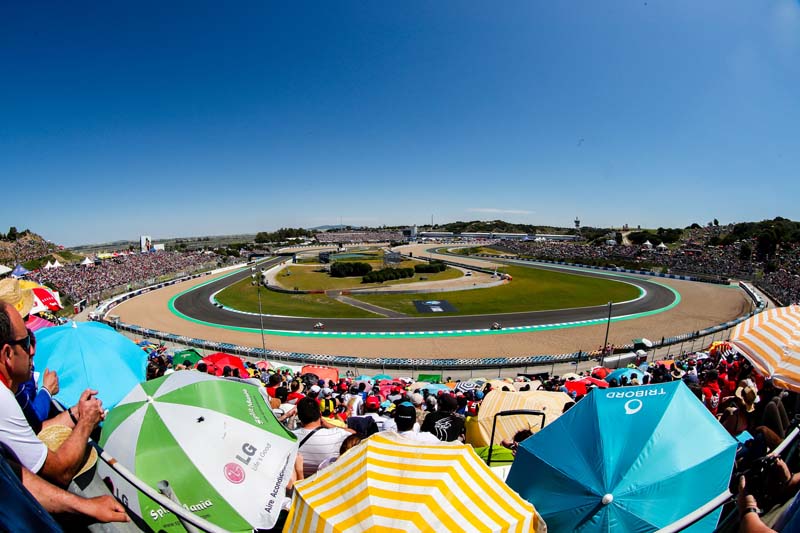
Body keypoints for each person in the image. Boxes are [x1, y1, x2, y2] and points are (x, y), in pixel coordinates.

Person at [0, 303, 105, 487]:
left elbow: (33, 429)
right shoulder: (3, 398)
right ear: (8, 354)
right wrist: (86, 422)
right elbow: (59, 470)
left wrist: (75, 413)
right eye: (26, 344)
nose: (32, 350)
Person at [292, 398, 355, 477]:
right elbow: (354, 434)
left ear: (299, 417)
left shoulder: (290, 437)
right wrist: (328, 424)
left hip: (299, 482)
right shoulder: (336, 434)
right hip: (326, 483)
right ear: (320, 414)